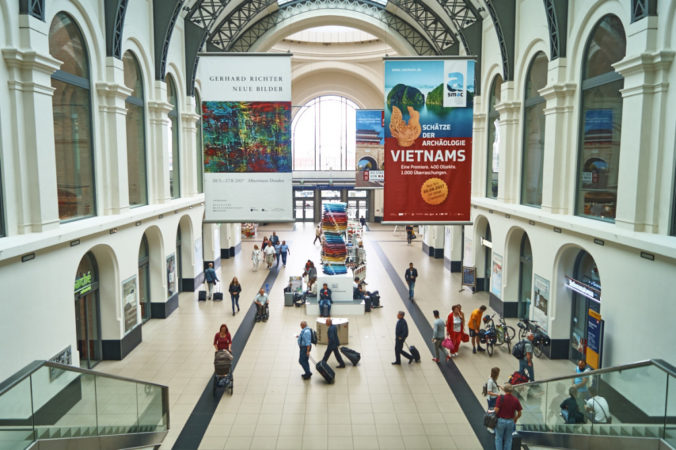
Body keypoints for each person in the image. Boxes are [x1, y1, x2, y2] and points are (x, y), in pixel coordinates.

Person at [494, 383, 522, 450]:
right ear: (512, 391)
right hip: (510, 421)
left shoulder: (500, 398)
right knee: (508, 439)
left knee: (499, 438)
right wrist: (516, 418)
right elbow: (520, 413)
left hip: (500, 421)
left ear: (504, 390)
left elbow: (496, 410)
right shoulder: (515, 400)